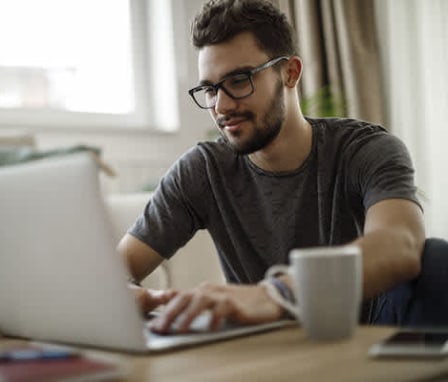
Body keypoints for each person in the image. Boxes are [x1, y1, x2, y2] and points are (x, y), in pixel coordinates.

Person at [117, 0, 426, 334]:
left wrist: (277, 294)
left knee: (437, 262)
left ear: (290, 73)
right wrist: (129, 296)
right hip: (262, 351)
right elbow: (115, 270)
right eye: (209, 89)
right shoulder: (202, 170)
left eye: (239, 80)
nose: (221, 106)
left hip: (360, 342)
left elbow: (402, 242)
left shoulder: (365, 150)